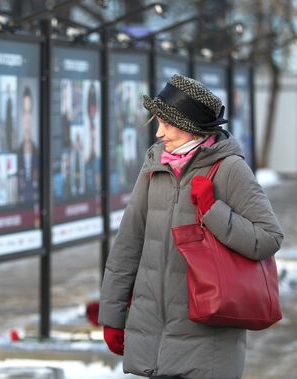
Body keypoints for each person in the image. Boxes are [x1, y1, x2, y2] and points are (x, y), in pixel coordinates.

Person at [99, 74, 283, 379]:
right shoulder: (155, 164)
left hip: (207, 343)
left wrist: (213, 210)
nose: (159, 133)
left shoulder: (229, 168)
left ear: (191, 126)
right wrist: (113, 315)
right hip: (154, 340)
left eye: (167, 124)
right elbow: (129, 242)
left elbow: (269, 237)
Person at [17, 86, 38, 203]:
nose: (27, 119)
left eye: (29, 112)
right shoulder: (16, 153)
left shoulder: (39, 152)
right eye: (25, 112)